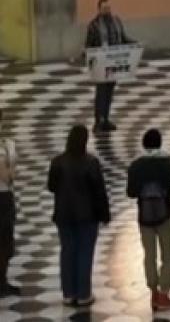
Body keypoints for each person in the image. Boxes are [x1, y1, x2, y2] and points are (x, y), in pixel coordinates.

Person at [47, 125, 110, 307]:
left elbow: (51, 186)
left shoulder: (57, 162)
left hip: (63, 215)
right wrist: (105, 214)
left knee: (67, 252)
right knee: (85, 253)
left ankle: (68, 293)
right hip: (87, 216)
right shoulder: (91, 162)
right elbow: (99, 191)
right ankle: (83, 294)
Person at [127, 129, 170, 312]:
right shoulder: (168, 161)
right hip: (165, 213)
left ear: (144, 144)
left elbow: (130, 192)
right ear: (160, 143)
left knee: (149, 255)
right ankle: (164, 294)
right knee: (167, 255)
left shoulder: (136, 164)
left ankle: (153, 293)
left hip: (144, 216)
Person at [85, 0, 134, 132]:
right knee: (101, 92)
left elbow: (123, 38)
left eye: (109, 8)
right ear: (99, 9)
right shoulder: (94, 25)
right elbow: (89, 45)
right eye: (104, 8)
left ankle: (106, 119)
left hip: (113, 62)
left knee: (109, 92)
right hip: (101, 63)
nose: (107, 11)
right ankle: (98, 121)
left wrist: (135, 44)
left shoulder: (116, 21)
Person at [0, 110, 20, 298]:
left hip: (5, 197)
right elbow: (6, 175)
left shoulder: (8, 146)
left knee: (6, 241)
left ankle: (2, 280)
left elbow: (11, 177)